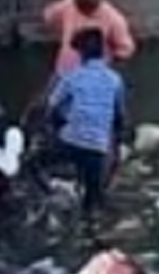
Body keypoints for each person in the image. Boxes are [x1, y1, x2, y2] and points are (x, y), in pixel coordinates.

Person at [26, 27, 126, 220]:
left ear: (81, 53)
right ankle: (90, 223)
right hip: (97, 148)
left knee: (32, 162)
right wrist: (116, 144)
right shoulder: (115, 80)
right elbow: (119, 116)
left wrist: (54, 127)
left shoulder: (71, 77)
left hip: (70, 142)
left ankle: (51, 194)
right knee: (93, 199)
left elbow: (50, 108)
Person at [42, 0, 136, 75]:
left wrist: (105, 70)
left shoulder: (113, 19)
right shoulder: (68, 4)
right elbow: (48, 16)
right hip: (64, 74)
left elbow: (125, 51)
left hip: (94, 79)